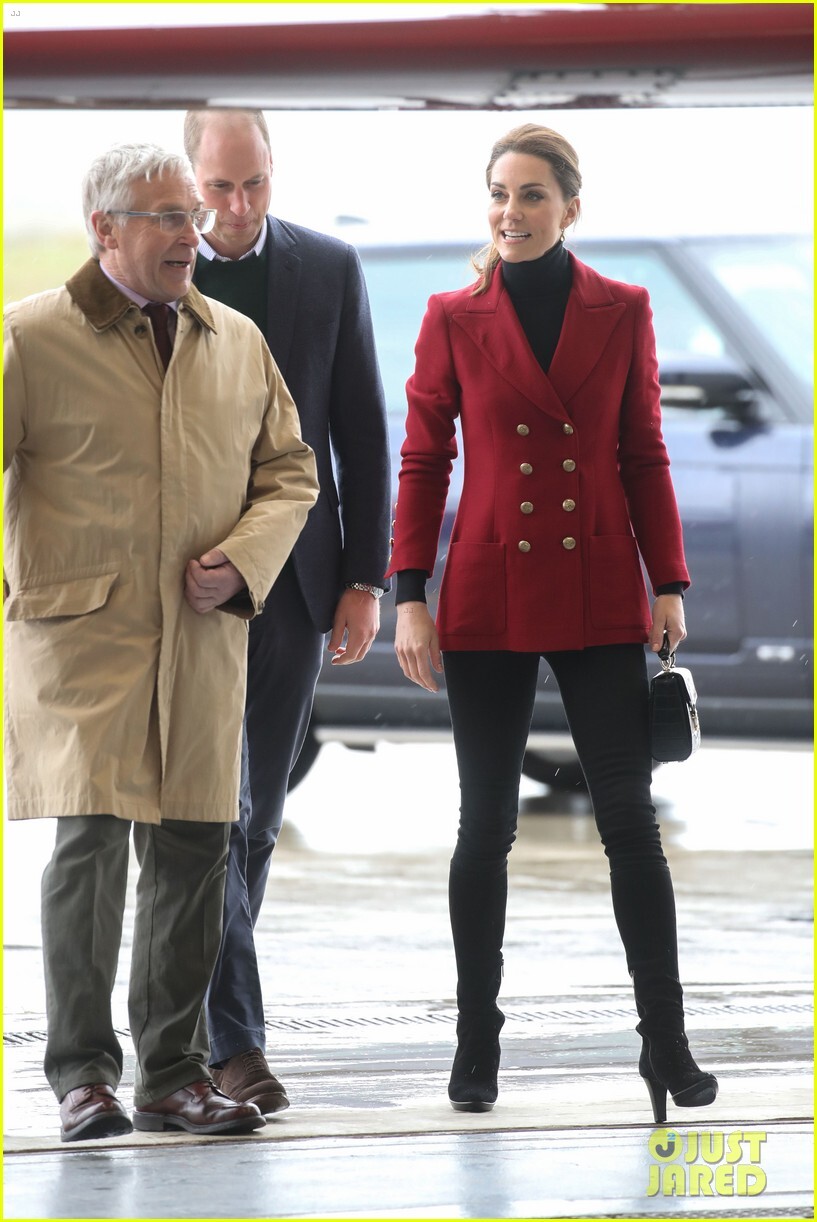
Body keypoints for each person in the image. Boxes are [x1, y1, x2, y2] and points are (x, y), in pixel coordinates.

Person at [388, 124, 718, 1123]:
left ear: (570, 207)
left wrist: (668, 582)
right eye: (499, 193)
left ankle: (666, 1041)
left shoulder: (623, 309)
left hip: (598, 586)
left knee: (629, 821)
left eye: (531, 195)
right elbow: (424, 460)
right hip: (487, 594)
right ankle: (475, 1041)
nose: (511, 211)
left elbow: (643, 452)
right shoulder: (452, 316)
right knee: (483, 826)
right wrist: (410, 593)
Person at [3, 143, 319, 1141]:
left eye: (194, 215)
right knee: (91, 846)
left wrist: (244, 560)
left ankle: (173, 1076)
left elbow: (291, 472)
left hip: (200, 638)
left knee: (194, 847)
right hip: (80, 641)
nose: (193, 233)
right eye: (168, 216)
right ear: (104, 229)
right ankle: (81, 1077)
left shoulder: (236, 341)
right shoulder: (29, 338)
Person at [182, 109, 391, 1115]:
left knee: (257, 817)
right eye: (219, 186)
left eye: (254, 182)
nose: (237, 206)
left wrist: (365, 579)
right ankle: (234, 1045)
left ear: (274, 169)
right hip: (187, 580)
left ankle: (193, 1024)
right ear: (190, 177)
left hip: (299, 582)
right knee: (209, 819)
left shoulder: (329, 267)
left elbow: (361, 429)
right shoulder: (161, 263)